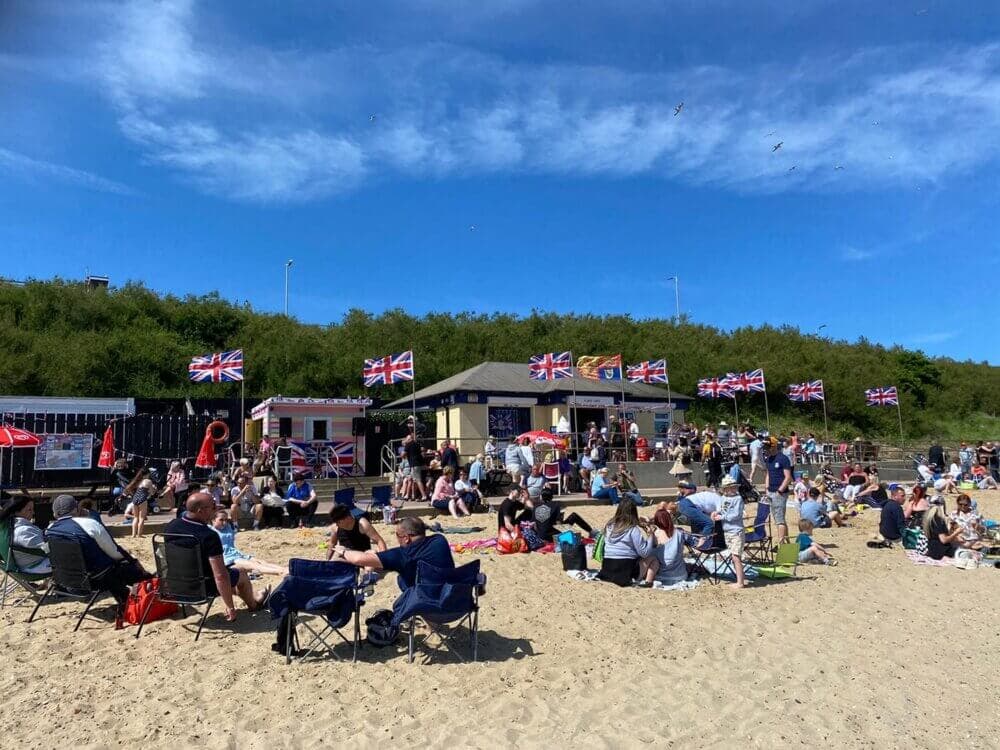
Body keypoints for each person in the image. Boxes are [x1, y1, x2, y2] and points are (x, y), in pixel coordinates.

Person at [164, 494, 270, 621]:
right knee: (240, 573)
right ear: (200, 510)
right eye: (213, 506)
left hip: (174, 586)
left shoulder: (171, 526)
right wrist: (230, 607)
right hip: (202, 588)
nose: (217, 508)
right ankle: (254, 605)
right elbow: (220, 576)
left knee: (231, 572)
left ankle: (255, 596)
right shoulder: (208, 536)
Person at [46, 494, 150, 611]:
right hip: (95, 580)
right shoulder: (89, 524)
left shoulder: (50, 530)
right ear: (76, 509)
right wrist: (133, 561)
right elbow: (114, 552)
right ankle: (143, 592)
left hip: (67, 581)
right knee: (123, 566)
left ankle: (126, 596)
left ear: (55, 514)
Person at [332, 516, 454, 592]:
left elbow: (359, 559)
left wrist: (343, 551)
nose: (397, 539)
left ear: (406, 538)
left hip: (429, 604)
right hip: (455, 600)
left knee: (401, 580)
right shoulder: (440, 539)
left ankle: (429, 621)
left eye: (397, 535)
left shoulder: (402, 555)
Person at [598, 499, 656, 587]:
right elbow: (644, 553)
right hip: (625, 571)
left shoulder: (609, 526)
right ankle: (648, 582)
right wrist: (651, 536)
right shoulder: (633, 530)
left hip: (607, 569)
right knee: (653, 559)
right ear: (634, 512)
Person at [210, 510, 287, 576]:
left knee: (261, 561)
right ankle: (279, 572)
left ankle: (284, 569)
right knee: (252, 565)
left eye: (226, 520)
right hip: (225, 556)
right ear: (213, 520)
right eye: (221, 520)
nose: (224, 522)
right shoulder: (210, 530)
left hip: (235, 552)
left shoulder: (228, 527)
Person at [639, 502, 688, 586]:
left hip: (662, 577)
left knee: (648, 557)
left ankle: (643, 579)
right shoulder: (680, 532)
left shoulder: (656, 533)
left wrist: (650, 521)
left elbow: (647, 551)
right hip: (681, 576)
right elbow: (696, 543)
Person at [1, 494, 51, 574]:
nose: (33, 512)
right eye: (29, 510)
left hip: (21, 564)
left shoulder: (7, 529)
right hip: (33, 567)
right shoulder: (23, 531)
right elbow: (46, 548)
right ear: (17, 512)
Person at [763, 437, 793, 544]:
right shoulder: (768, 459)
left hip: (779, 493)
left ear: (774, 446)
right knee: (778, 519)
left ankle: (781, 544)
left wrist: (780, 491)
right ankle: (787, 542)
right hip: (770, 492)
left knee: (779, 520)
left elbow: (788, 477)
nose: (766, 449)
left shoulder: (783, 458)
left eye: (768, 447)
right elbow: (768, 474)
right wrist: (766, 488)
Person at [403, 434, 428, 501]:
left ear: (410, 439)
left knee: (418, 480)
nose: (406, 440)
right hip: (418, 464)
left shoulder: (408, 445)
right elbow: (419, 454)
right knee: (412, 479)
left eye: (407, 439)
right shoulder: (417, 444)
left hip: (414, 465)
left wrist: (404, 450)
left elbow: (403, 455)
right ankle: (409, 495)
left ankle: (424, 495)